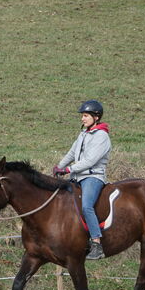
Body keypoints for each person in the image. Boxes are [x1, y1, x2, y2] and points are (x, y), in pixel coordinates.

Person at [52, 100, 111, 260]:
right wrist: (59, 166)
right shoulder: (83, 134)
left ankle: (97, 243)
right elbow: (72, 153)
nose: (82, 119)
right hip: (77, 177)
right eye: (82, 116)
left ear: (96, 117)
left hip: (93, 177)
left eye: (85, 116)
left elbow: (90, 161)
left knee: (86, 206)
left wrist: (68, 169)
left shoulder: (102, 136)